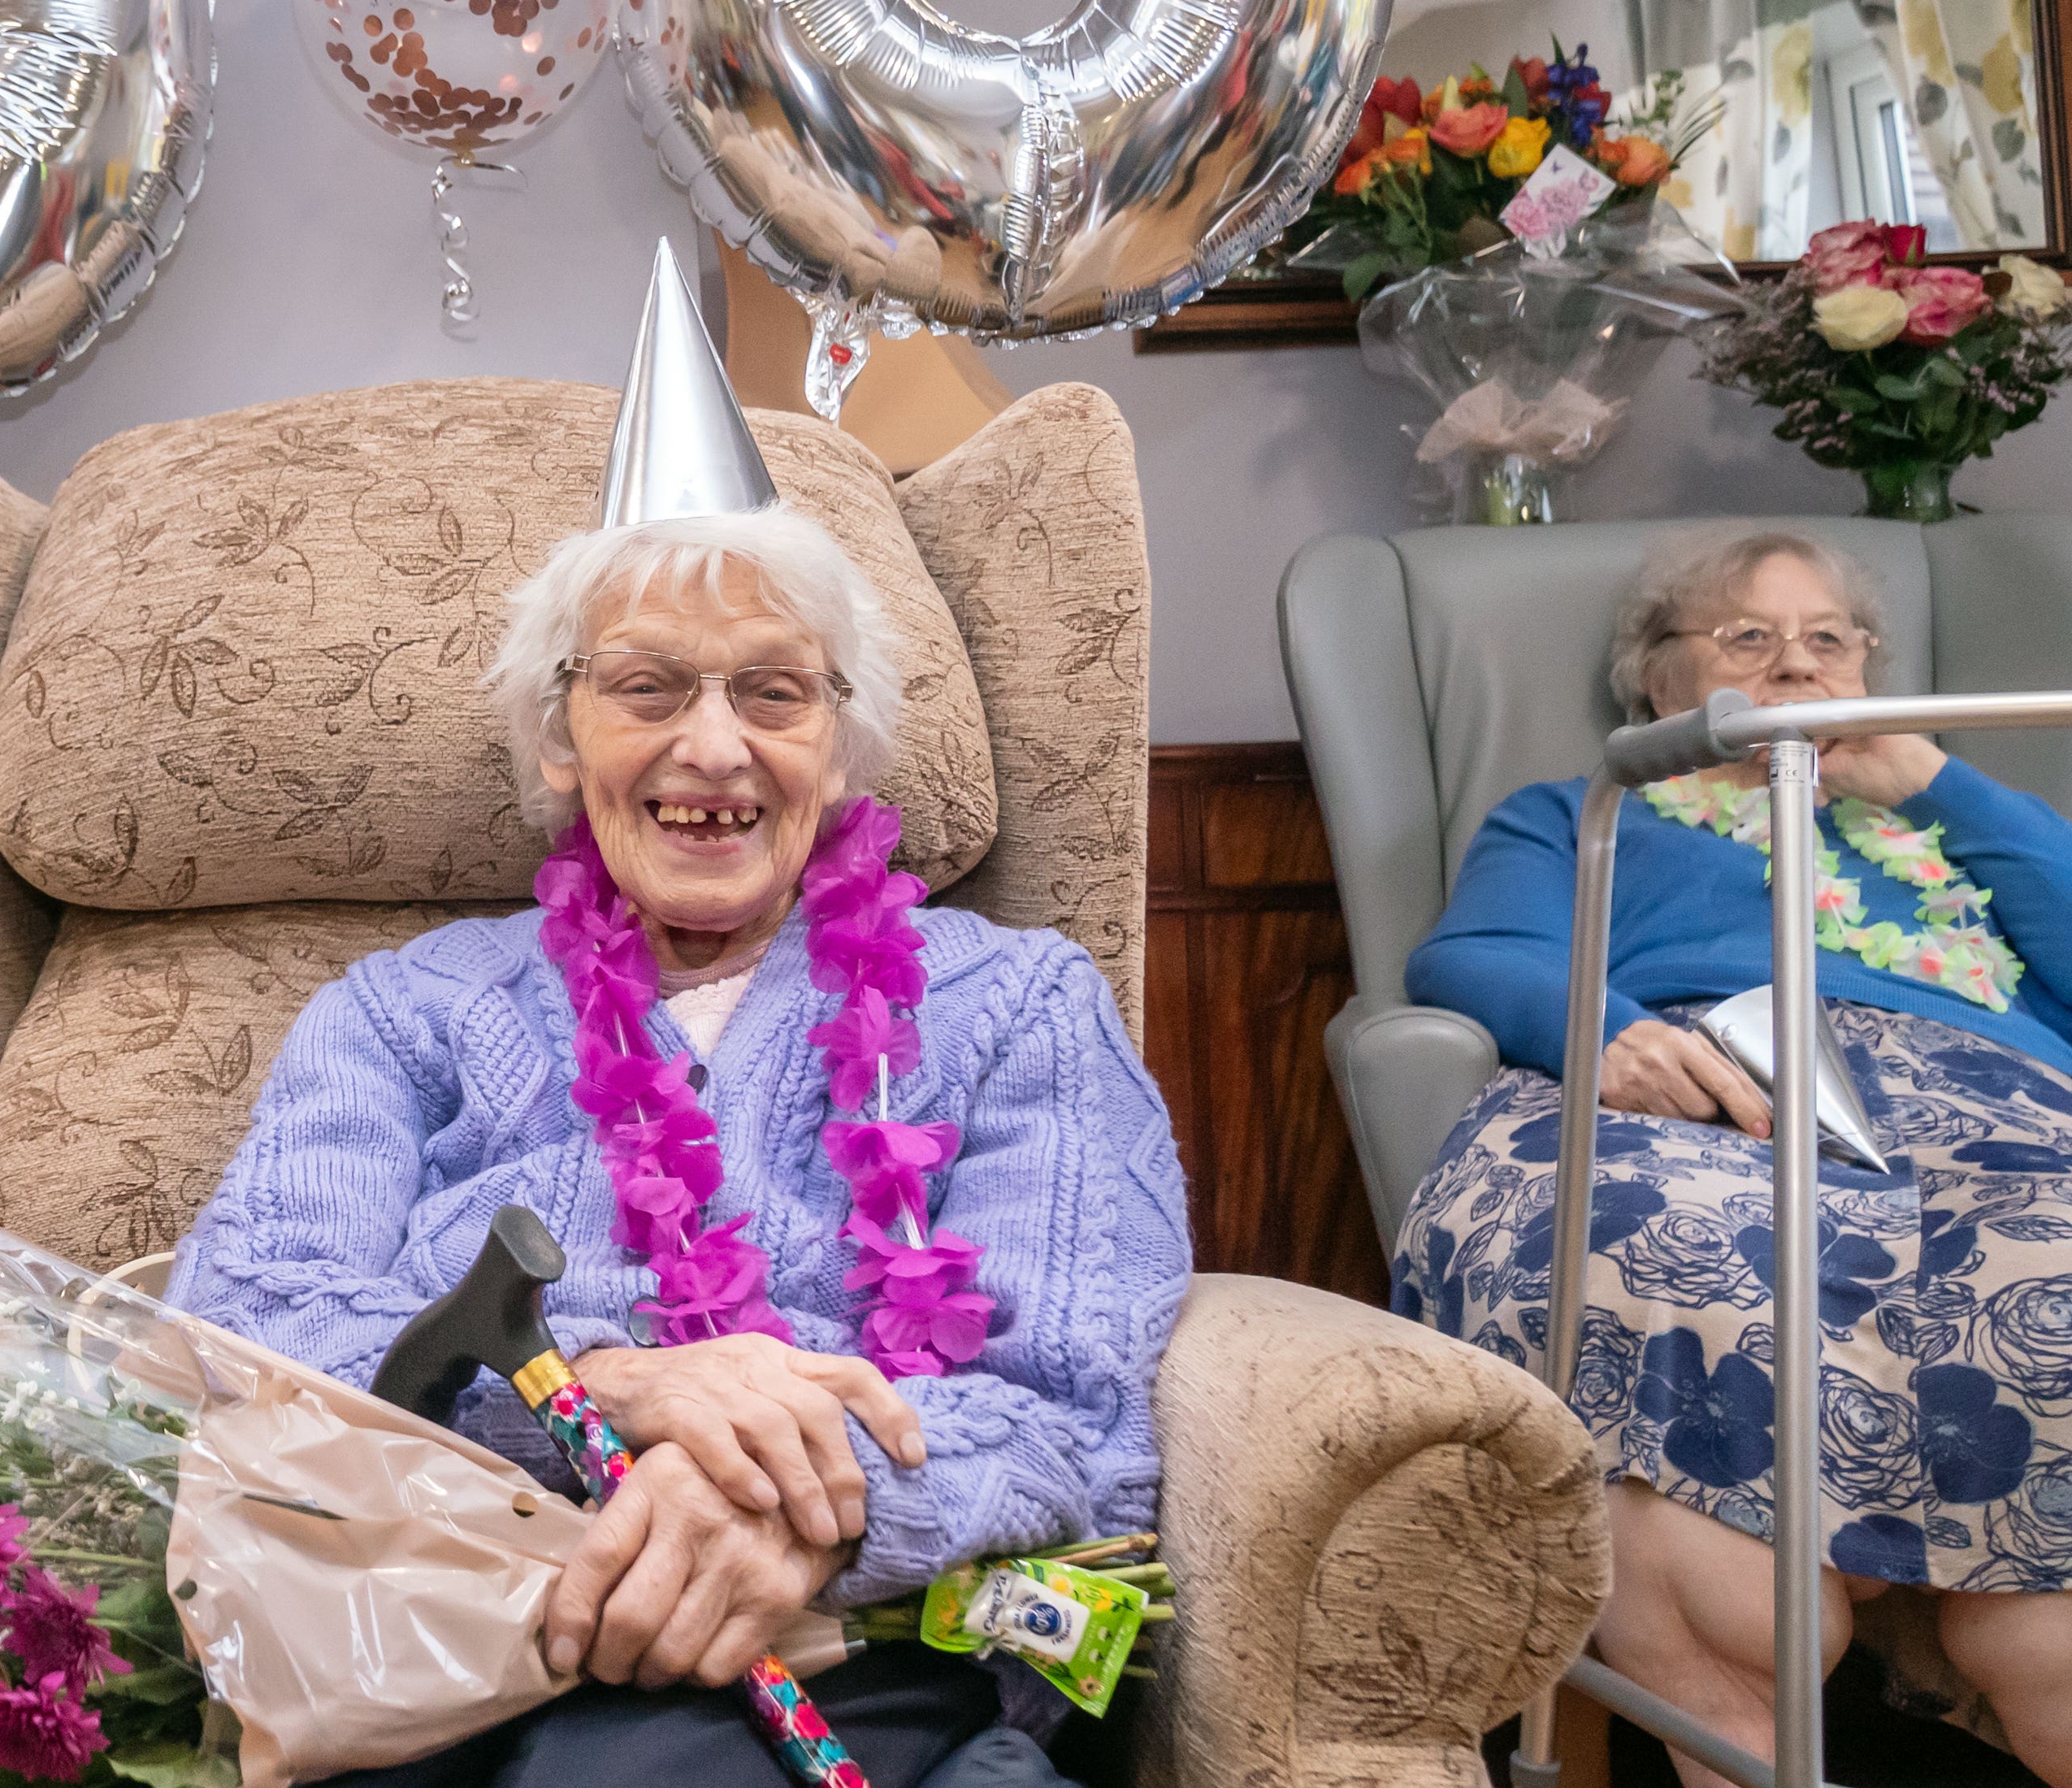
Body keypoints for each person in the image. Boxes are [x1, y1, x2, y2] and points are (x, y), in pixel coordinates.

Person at [170, 273, 1192, 1788]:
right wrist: (611, 1389)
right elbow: (242, 1321)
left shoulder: (1019, 1007)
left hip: (849, 1643)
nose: (713, 745)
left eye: (772, 691)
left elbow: (1075, 1410)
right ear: (554, 729)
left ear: (836, 746)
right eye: (647, 685)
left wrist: (797, 1515)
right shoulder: (404, 1010)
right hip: (430, 1621)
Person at [1400, 526, 2072, 1788]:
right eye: (1751, 640)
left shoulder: (1958, 848)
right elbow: (1476, 954)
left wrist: (1938, 782)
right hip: (1721, 1099)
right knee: (1668, 1255)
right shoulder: (1586, 814)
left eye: (1832, 640)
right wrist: (1611, 1037)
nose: (1801, 668)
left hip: (1996, 1120)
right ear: (1659, 683)